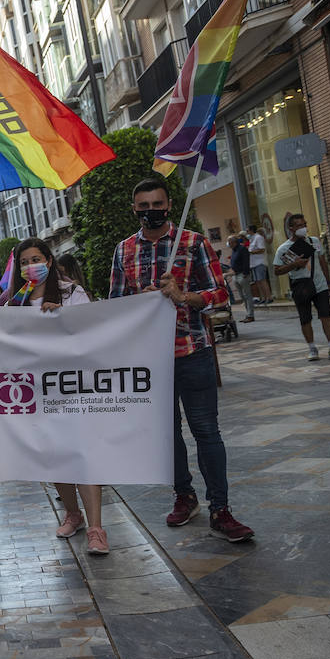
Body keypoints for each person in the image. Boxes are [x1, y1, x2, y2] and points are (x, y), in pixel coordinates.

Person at [109, 177, 253, 542]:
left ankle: (221, 508)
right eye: (143, 206)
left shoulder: (194, 243)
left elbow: (222, 295)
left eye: (156, 204)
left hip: (193, 352)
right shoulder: (124, 250)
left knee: (207, 433)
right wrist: (138, 301)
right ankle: (184, 496)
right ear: (133, 209)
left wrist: (183, 296)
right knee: (166, 434)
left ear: (169, 205)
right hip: (151, 361)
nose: (150, 212)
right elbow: (114, 306)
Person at [0, 239, 107, 555]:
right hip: (35, 393)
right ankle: (72, 514)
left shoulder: (72, 294)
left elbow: (93, 330)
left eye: (36, 258)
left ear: (49, 259)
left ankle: (96, 528)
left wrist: (64, 317)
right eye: (24, 261)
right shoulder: (11, 303)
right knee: (56, 456)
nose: (30, 265)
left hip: (73, 389)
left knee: (84, 455)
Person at [275, 214, 330, 360]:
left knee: (325, 314)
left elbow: (322, 260)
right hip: (301, 287)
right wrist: (295, 264)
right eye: (299, 226)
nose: (303, 228)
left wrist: (329, 281)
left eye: (304, 224)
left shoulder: (314, 241)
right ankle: (312, 348)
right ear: (291, 228)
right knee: (305, 318)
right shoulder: (283, 248)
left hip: (319, 285)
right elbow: (277, 270)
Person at [228, 231, 255, 322]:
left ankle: (250, 315)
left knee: (247, 295)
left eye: (230, 242)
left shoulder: (242, 249)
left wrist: (245, 273)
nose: (229, 244)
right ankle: (247, 314)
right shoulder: (234, 250)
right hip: (235, 275)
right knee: (242, 296)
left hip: (242, 275)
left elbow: (246, 261)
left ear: (234, 242)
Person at [247, 225, 272, 305]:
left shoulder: (258, 237)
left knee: (262, 281)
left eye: (247, 230)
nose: (247, 232)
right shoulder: (252, 238)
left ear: (251, 230)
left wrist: (250, 252)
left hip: (260, 262)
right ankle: (263, 298)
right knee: (258, 282)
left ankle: (269, 297)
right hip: (253, 263)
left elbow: (262, 249)